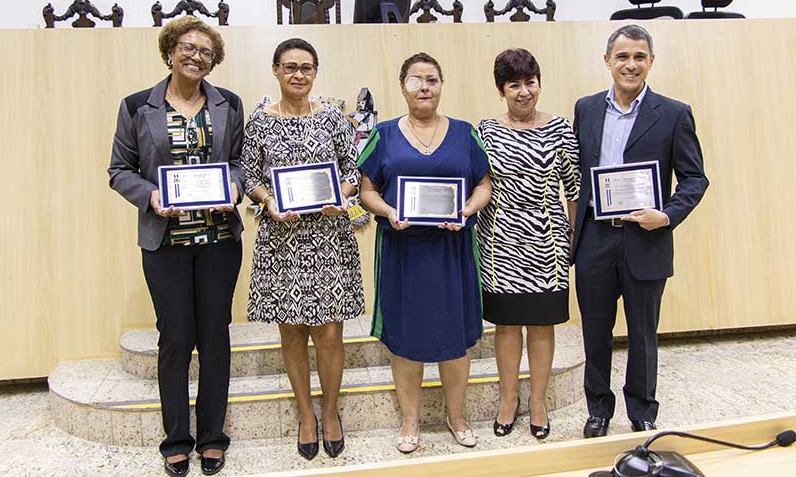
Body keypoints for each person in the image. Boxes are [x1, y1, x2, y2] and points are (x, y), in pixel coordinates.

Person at [108, 15, 244, 477]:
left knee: (214, 338)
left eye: (206, 51)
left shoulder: (229, 104)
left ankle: (212, 438)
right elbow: (119, 169)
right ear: (170, 50)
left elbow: (241, 164)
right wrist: (149, 195)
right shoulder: (136, 106)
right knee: (175, 339)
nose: (196, 56)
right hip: (164, 242)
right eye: (188, 47)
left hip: (219, 241)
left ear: (214, 60)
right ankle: (176, 439)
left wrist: (235, 188)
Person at [572, 24, 708, 438]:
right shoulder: (586, 108)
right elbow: (579, 173)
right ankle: (598, 409)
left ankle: (642, 410)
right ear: (608, 60)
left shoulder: (673, 113)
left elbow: (694, 179)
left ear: (651, 62)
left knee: (643, 332)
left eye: (639, 57)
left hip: (646, 238)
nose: (630, 64)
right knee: (595, 330)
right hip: (595, 236)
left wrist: (665, 216)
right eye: (622, 56)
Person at [358, 52, 492, 453]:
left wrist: (467, 209)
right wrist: (389, 211)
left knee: (455, 340)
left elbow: (483, 185)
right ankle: (410, 420)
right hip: (404, 253)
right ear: (402, 86)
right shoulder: (383, 134)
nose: (424, 87)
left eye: (432, 79)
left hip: (452, 252)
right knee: (405, 339)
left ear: (441, 85)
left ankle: (458, 416)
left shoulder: (465, 133)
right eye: (415, 80)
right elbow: (367, 191)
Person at [241, 38, 364, 460]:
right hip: (282, 240)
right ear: (275, 70)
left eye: (307, 67)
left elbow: (352, 169)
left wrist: (341, 193)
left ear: (316, 72)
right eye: (290, 67)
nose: (298, 74)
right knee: (291, 332)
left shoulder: (332, 118)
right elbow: (249, 176)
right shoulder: (259, 121)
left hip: (328, 237)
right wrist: (267, 201)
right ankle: (306, 415)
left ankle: (330, 413)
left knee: (330, 334)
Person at [476, 49, 579, 440]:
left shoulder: (560, 128)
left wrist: (569, 237)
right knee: (506, 325)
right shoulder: (485, 129)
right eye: (514, 84)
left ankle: (537, 401)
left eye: (529, 82)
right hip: (499, 240)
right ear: (501, 89)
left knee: (541, 324)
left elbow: (573, 187)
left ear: (539, 82)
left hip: (547, 240)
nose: (524, 92)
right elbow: (478, 182)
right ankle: (508, 400)